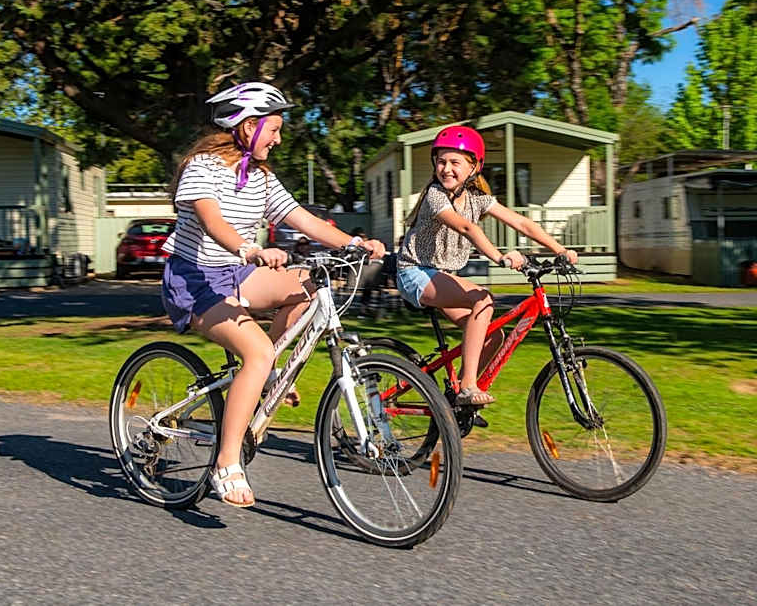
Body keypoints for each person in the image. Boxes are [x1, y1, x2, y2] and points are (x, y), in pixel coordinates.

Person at [160, 81, 385, 508]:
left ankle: (268, 380)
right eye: (274, 128)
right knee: (257, 353)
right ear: (247, 126)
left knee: (308, 286)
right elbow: (211, 220)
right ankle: (226, 463)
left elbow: (302, 218)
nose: (279, 138)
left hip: (238, 272)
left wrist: (353, 243)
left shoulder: (261, 178)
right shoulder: (203, 167)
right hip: (194, 277)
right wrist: (249, 247)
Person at [396, 125, 577, 405]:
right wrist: (500, 257)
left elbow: (521, 222)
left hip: (439, 276)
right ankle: (468, 387)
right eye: (441, 161)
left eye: (455, 162)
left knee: (493, 335)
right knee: (483, 299)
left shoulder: (478, 199)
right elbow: (467, 228)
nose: (446, 168)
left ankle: (457, 399)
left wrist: (560, 249)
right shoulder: (435, 195)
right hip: (414, 273)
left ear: (474, 166)